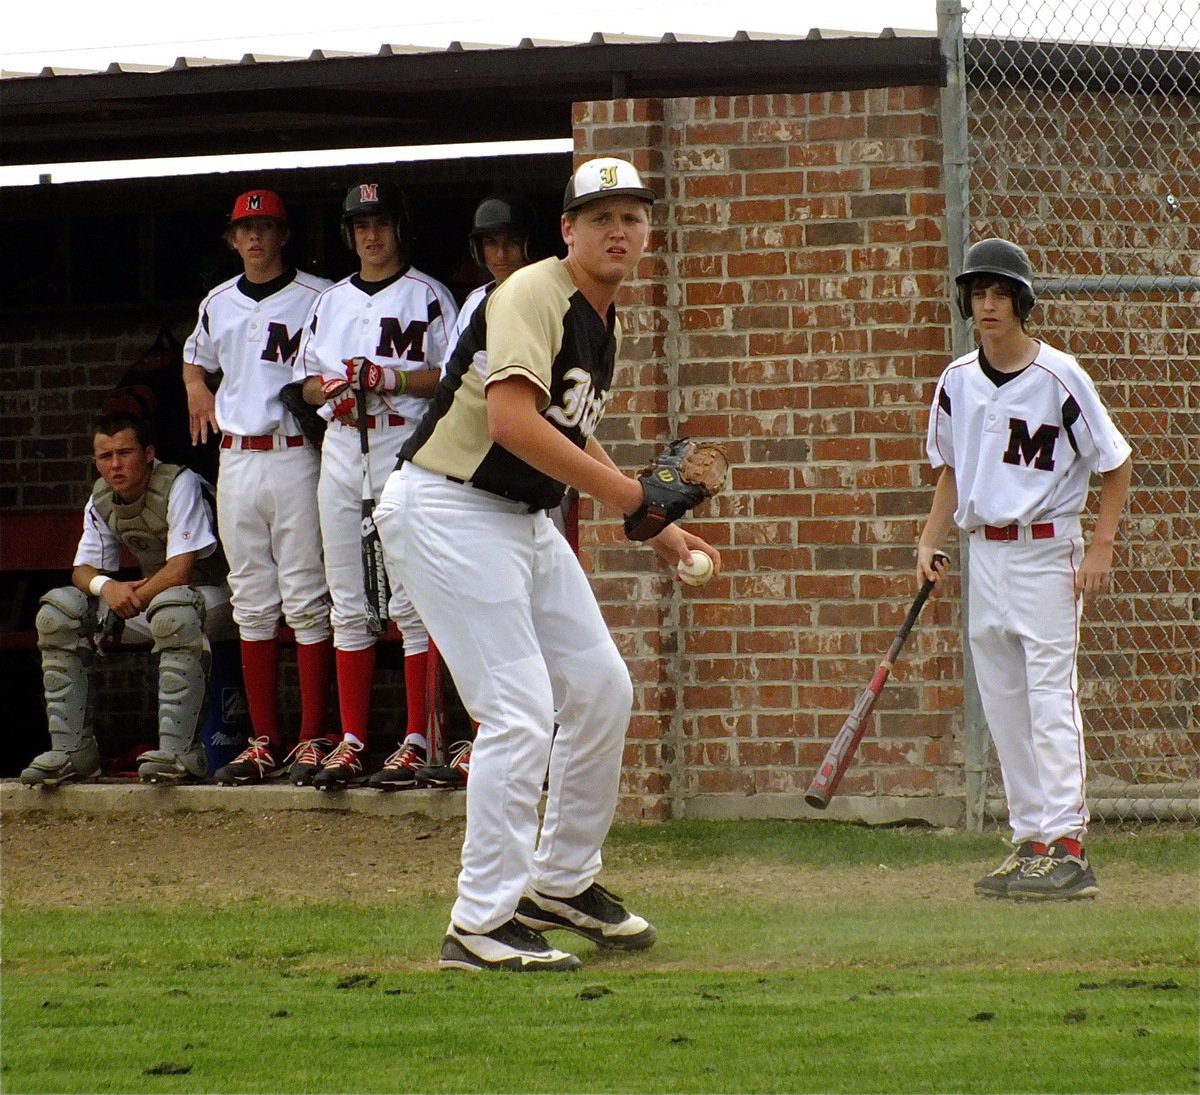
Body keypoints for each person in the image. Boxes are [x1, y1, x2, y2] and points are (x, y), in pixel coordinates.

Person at [375, 157, 721, 971]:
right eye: (599, 215)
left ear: (646, 231)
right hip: (447, 504)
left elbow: (564, 428)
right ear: (567, 229)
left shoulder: (607, 317)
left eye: (631, 215)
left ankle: (560, 881)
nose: (617, 229)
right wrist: (635, 493)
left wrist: (659, 526)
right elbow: (509, 422)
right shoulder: (532, 290)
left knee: (602, 687)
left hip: (519, 518)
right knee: (520, 708)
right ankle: (479, 923)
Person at [917, 237, 1132, 901]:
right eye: (978, 292)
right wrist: (929, 537)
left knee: (1048, 694)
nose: (988, 304)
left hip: (1047, 547)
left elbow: (1115, 461)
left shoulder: (1060, 376)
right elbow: (953, 469)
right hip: (986, 549)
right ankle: (1031, 838)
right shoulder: (956, 381)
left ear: (1021, 301)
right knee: (1004, 700)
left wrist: (1101, 546)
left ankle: (1068, 842)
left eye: (1000, 292)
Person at [293, 181, 458, 791]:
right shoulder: (330, 300)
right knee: (347, 599)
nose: (371, 234)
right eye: (361, 225)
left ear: (399, 228)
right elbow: (305, 382)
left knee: (411, 598)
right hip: (342, 447)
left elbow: (450, 377)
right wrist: (331, 391)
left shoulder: (430, 294)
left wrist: (389, 377)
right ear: (348, 234)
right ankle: (354, 738)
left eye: (381, 223)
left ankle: (417, 738)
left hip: (404, 447)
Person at [182, 189, 336, 787]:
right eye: (245, 229)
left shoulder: (320, 296)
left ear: (283, 234)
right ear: (231, 238)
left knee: (304, 595)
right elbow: (195, 359)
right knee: (250, 600)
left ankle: (312, 737)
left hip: (294, 453)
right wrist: (196, 383)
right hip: (236, 458)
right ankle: (265, 740)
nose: (254, 238)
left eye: (265, 227)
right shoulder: (217, 301)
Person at [21, 412, 235, 786]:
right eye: (106, 457)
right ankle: (74, 751)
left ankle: (179, 753)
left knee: (174, 614)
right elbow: (82, 570)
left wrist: (133, 594)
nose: (115, 465)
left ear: (149, 453)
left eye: (125, 453)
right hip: (158, 596)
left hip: (224, 595)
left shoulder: (179, 482)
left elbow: (181, 569)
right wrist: (110, 589)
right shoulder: (102, 495)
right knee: (60, 613)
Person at [407, 193, 539, 793]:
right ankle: (485, 737)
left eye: (511, 241)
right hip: (473, 474)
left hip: (532, 467)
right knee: (478, 609)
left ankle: (527, 740)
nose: (502, 253)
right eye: (491, 243)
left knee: (529, 611)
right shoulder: (475, 304)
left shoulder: (540, 293)